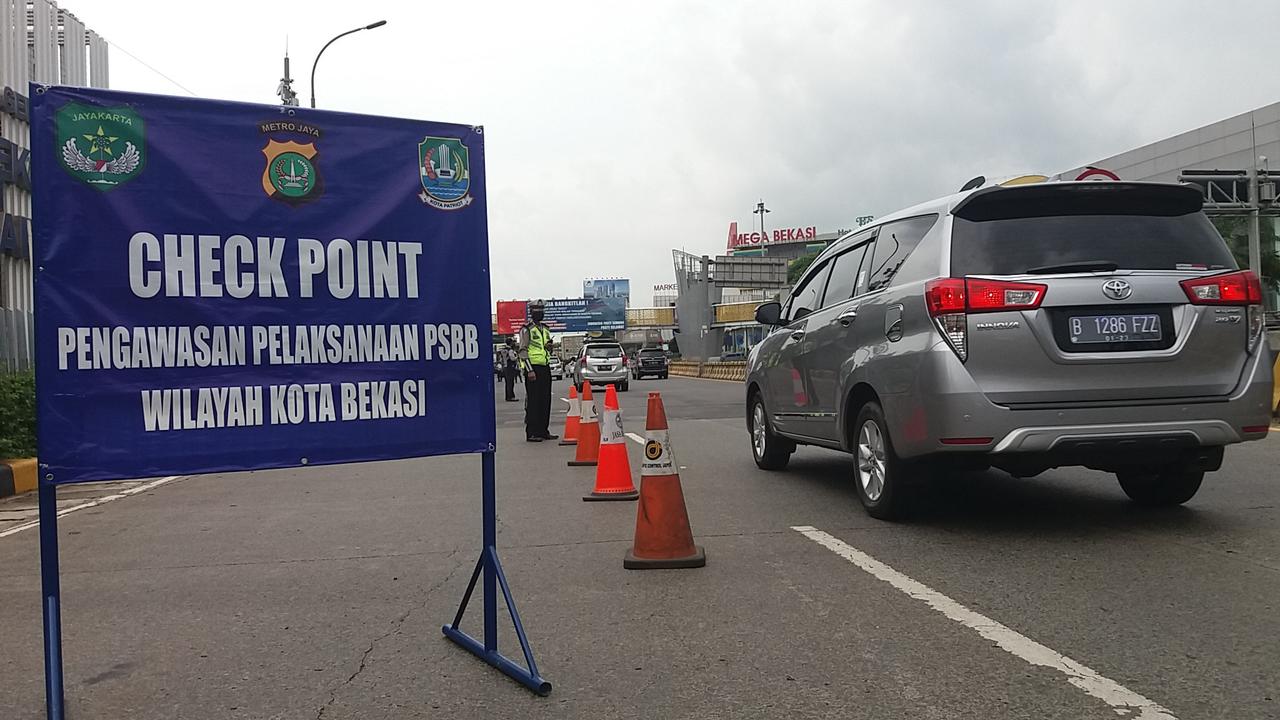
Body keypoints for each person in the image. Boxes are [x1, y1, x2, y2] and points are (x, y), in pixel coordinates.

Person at [518, 300, 557, 442]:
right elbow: (522, 351)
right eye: (537, 310)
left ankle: (543, 430)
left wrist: (549, 347)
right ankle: (532, 432)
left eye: (542, 310)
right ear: (532, 312)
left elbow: (545, 348)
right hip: (532, 369)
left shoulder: (545, 329)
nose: (540, 313)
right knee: (533, 401)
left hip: (545, 367)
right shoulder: (526, 329)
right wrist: (529, 370)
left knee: (545, 400)